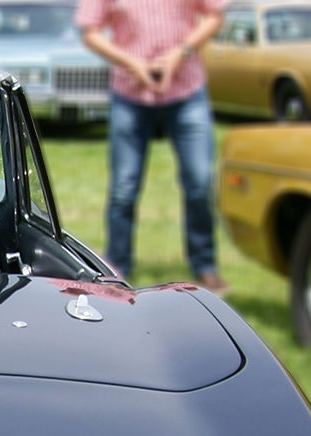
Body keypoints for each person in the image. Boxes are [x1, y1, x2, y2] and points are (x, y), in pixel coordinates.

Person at [76, 0, 229, 294]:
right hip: (130, 91)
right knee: (124, 187)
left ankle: (205, 265)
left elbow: (214, 15)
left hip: (186, 88)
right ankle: (116, 268)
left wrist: (179, 53)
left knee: (199, 182)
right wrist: (132, 63)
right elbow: (90, 31)